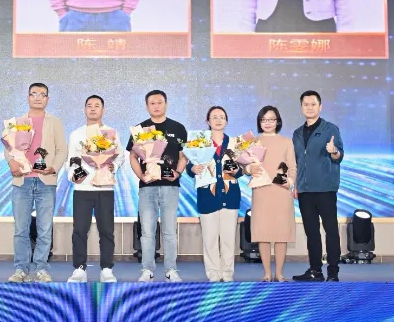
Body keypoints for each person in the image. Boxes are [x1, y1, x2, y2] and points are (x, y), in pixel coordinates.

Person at [6, 83, 67, 284]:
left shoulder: (55, 122)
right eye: (33, 94)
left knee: (44, 229)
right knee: (20, 229)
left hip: (45, 181)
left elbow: (62, 150)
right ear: (28, 97)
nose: (37, 98)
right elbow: (8, 146)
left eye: (42, 94)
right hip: (21, 181)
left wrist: (54, 167)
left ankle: (41, 269)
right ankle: (21, 270)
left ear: (47, 99)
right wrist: (11, 162)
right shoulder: (17, 122)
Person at [127, 90, 187, 282]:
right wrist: (141, 176)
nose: (156, 106)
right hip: (147, 187)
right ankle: (147, 270)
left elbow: (183, 155)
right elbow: (133, 156)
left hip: (170, 186)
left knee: (169, 231)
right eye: (152, 103)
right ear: (147, 106)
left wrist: (178, 173)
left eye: (160, 102)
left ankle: (171, 270)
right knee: (147, 231)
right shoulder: (140, 129)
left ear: (166, 104)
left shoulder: (178, 128)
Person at [66, 95, 124, 284]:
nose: (93, 109)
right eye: (89, 105)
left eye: (97, 105)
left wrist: (112, 167)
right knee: (79, 230)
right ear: (84, 110)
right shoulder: (76, 134)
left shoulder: (111, 133)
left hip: (105, 188)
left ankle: (106, 269)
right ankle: (79, 269)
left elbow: (120, 156)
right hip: (82, 188)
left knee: (106, 230)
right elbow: (71, 159)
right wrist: (77, 175)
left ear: (103, 110)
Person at [291, 90, 344, 282]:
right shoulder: (297, 133)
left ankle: (333, 271)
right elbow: (296, 161)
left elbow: (339, 156)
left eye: (313, 104)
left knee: (331, 230)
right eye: (306, 104)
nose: (309, 107)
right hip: (305, 191)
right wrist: (295, 184)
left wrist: (334, 150)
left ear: (320, 107)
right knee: (311, 232)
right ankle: (315, 270)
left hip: (325, 189)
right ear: (301, 107)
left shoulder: (331, 129)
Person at [186, 106, 241, 282]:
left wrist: (237, 171)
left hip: (230, 196)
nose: (218, 120)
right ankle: (213, 273)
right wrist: (192, 169)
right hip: (207, 196)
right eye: (214, 117)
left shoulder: (234, 143)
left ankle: (227, 273)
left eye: (222, 117)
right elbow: (190, 166)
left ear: (226, 121)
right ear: (208, 121)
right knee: (209, 239)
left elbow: (242, 169)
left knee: (228, 239)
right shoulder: (199, 142)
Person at [248, 105, 297, 282]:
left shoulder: (286, 142)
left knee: (281, 233)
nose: (267, 123)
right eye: (264, 120)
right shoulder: (253, 142)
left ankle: (279, 273)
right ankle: (267, 273)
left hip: (281, 192)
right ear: (259, 122)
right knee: (263, 233)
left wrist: (290, 182)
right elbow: (245, 165)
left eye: (271, 119)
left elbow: (292, 167)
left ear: (277, 121)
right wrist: (249, 169)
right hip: (261, 191)